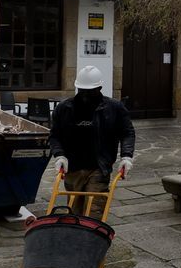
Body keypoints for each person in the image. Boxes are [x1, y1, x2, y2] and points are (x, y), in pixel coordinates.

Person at [48, 65, 135, 219]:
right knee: (74, 212)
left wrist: (127, 156)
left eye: (90, 91)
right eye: (82, 91)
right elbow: (54, 135)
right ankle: (77, 239)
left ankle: (93, 239)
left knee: (94, 212)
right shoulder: (64, 109)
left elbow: (127, 132)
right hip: (73, 168)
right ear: (77, 88)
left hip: (99, 167)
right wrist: (59, 156)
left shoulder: (114, 108)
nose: (86, 95)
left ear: (100, 88)